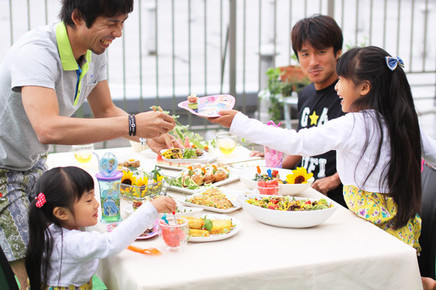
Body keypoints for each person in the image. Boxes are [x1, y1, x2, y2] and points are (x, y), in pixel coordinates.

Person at [0, 0, 178, 287]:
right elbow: (47, 128)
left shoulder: (93, 51)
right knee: (28, 272)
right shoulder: (36, 53)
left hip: (32, 164)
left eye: (122, 22)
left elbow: (106, 111)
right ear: (78, 17)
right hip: (3, 172)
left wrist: (147, 136)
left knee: (59, 253)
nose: (118, 33)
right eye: (111, 23)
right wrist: (133, 124)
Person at [209, 46, 436, 256]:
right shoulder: (404, 122)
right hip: (401, 230)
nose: (336, 88)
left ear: (364, 88)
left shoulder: (353, 124)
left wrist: (239, 122)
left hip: (369, 233)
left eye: (342, 80)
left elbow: (298, 142)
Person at [25, 166, 177, 289]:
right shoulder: (71, 242)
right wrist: (151, 208)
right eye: (89, 200)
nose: (97, 204)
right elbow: (111, 243)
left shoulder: (49, 230)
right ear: (61, 213)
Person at [252, 14, 346, 207]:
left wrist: (335, 179)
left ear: (337, 52)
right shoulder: (306, 94)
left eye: (321, 52)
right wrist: (271, 166)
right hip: (301, 192)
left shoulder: (347, 95)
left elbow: (366, 148)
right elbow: (302, 145)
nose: (312, 62)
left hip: (334, 198)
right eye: (305, 54)